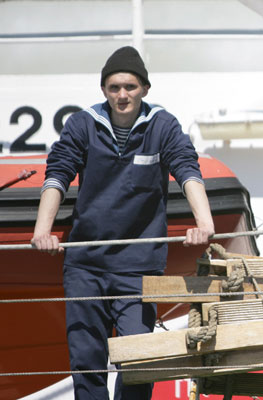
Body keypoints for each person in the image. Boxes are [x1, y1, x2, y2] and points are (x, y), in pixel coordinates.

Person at [30, 46, 215, 400]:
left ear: (144, 88)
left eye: (129, 86)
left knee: (139, 360)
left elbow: (187, 169)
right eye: (114, 87)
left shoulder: (162, 125)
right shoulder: (83, 123)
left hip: (138, 265)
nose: (122, 95)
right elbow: (58, 175)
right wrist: (42, 230)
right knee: (87, 359)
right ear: (104, 91)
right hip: (86, 263)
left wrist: (203, 223)